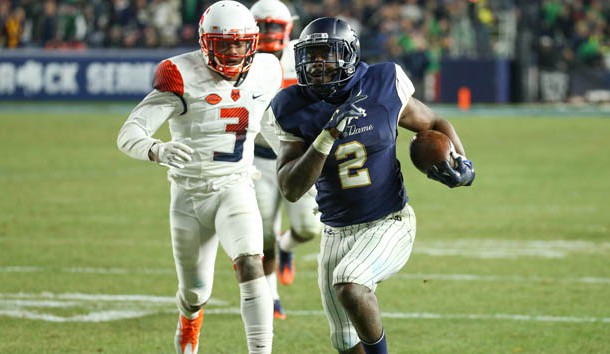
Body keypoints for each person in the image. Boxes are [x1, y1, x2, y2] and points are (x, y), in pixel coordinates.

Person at [268, 17, 475, 354]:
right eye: (311, 55)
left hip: (389, 220)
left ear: (349, 55)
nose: (317, 63)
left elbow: (434, 122)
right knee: (346, 343)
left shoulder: (382, 83)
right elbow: (290, 188)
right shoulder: (292, 106)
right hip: (335, 231)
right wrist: (326, 137)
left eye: (327, 54)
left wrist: (462, 163)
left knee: (351, 285)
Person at [116, 1, 283, 353]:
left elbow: (267, 117)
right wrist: (157, 149)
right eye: (225, 44)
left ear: (253, 43)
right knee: (195, 292)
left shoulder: (266, 69)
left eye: (240, 44)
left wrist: (288, 149)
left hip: (236, 186)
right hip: (189, 194)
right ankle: (189, 320)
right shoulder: (181, 73)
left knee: (251, 261)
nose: (234, 51)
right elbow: (129, 133)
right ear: (206, 43)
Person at [250, 0, 322, 320]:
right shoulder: (239, 59)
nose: (268, 33)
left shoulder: (303, 56)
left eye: (273, 26)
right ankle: (270, 296)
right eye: (262, 26)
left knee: (308, 228)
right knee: (261, 234)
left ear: (288, 27)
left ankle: (288, 246)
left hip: (299, 155)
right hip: (259, 158)